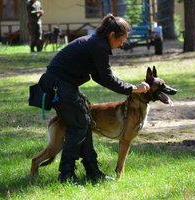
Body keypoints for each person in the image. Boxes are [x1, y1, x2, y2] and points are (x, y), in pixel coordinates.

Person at [37, 14, 150, 183]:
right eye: (121, 41)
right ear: (112, 35)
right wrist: (133, 89)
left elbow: (98, 76)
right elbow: (107, 78)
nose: (120, 45)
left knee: (85, 121)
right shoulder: (99, 46)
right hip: (58, 85)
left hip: (62, 84)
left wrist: (129, 89)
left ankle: (92, 171)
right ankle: (66, 175)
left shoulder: (96, 43)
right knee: (79, 124)